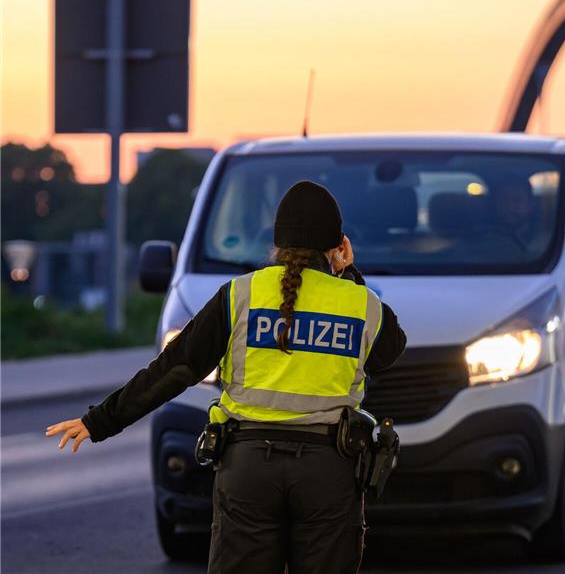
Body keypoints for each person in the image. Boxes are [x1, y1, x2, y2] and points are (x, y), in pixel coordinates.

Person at [46, 181, 407, 574]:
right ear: (338, 245)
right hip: (327, 470)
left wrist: (99, 421)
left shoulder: (239, 295)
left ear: (277, 243)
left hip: (248, 468)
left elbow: (175, 368)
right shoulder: (361, 304)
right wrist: (348, 274)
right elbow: (389, 354)